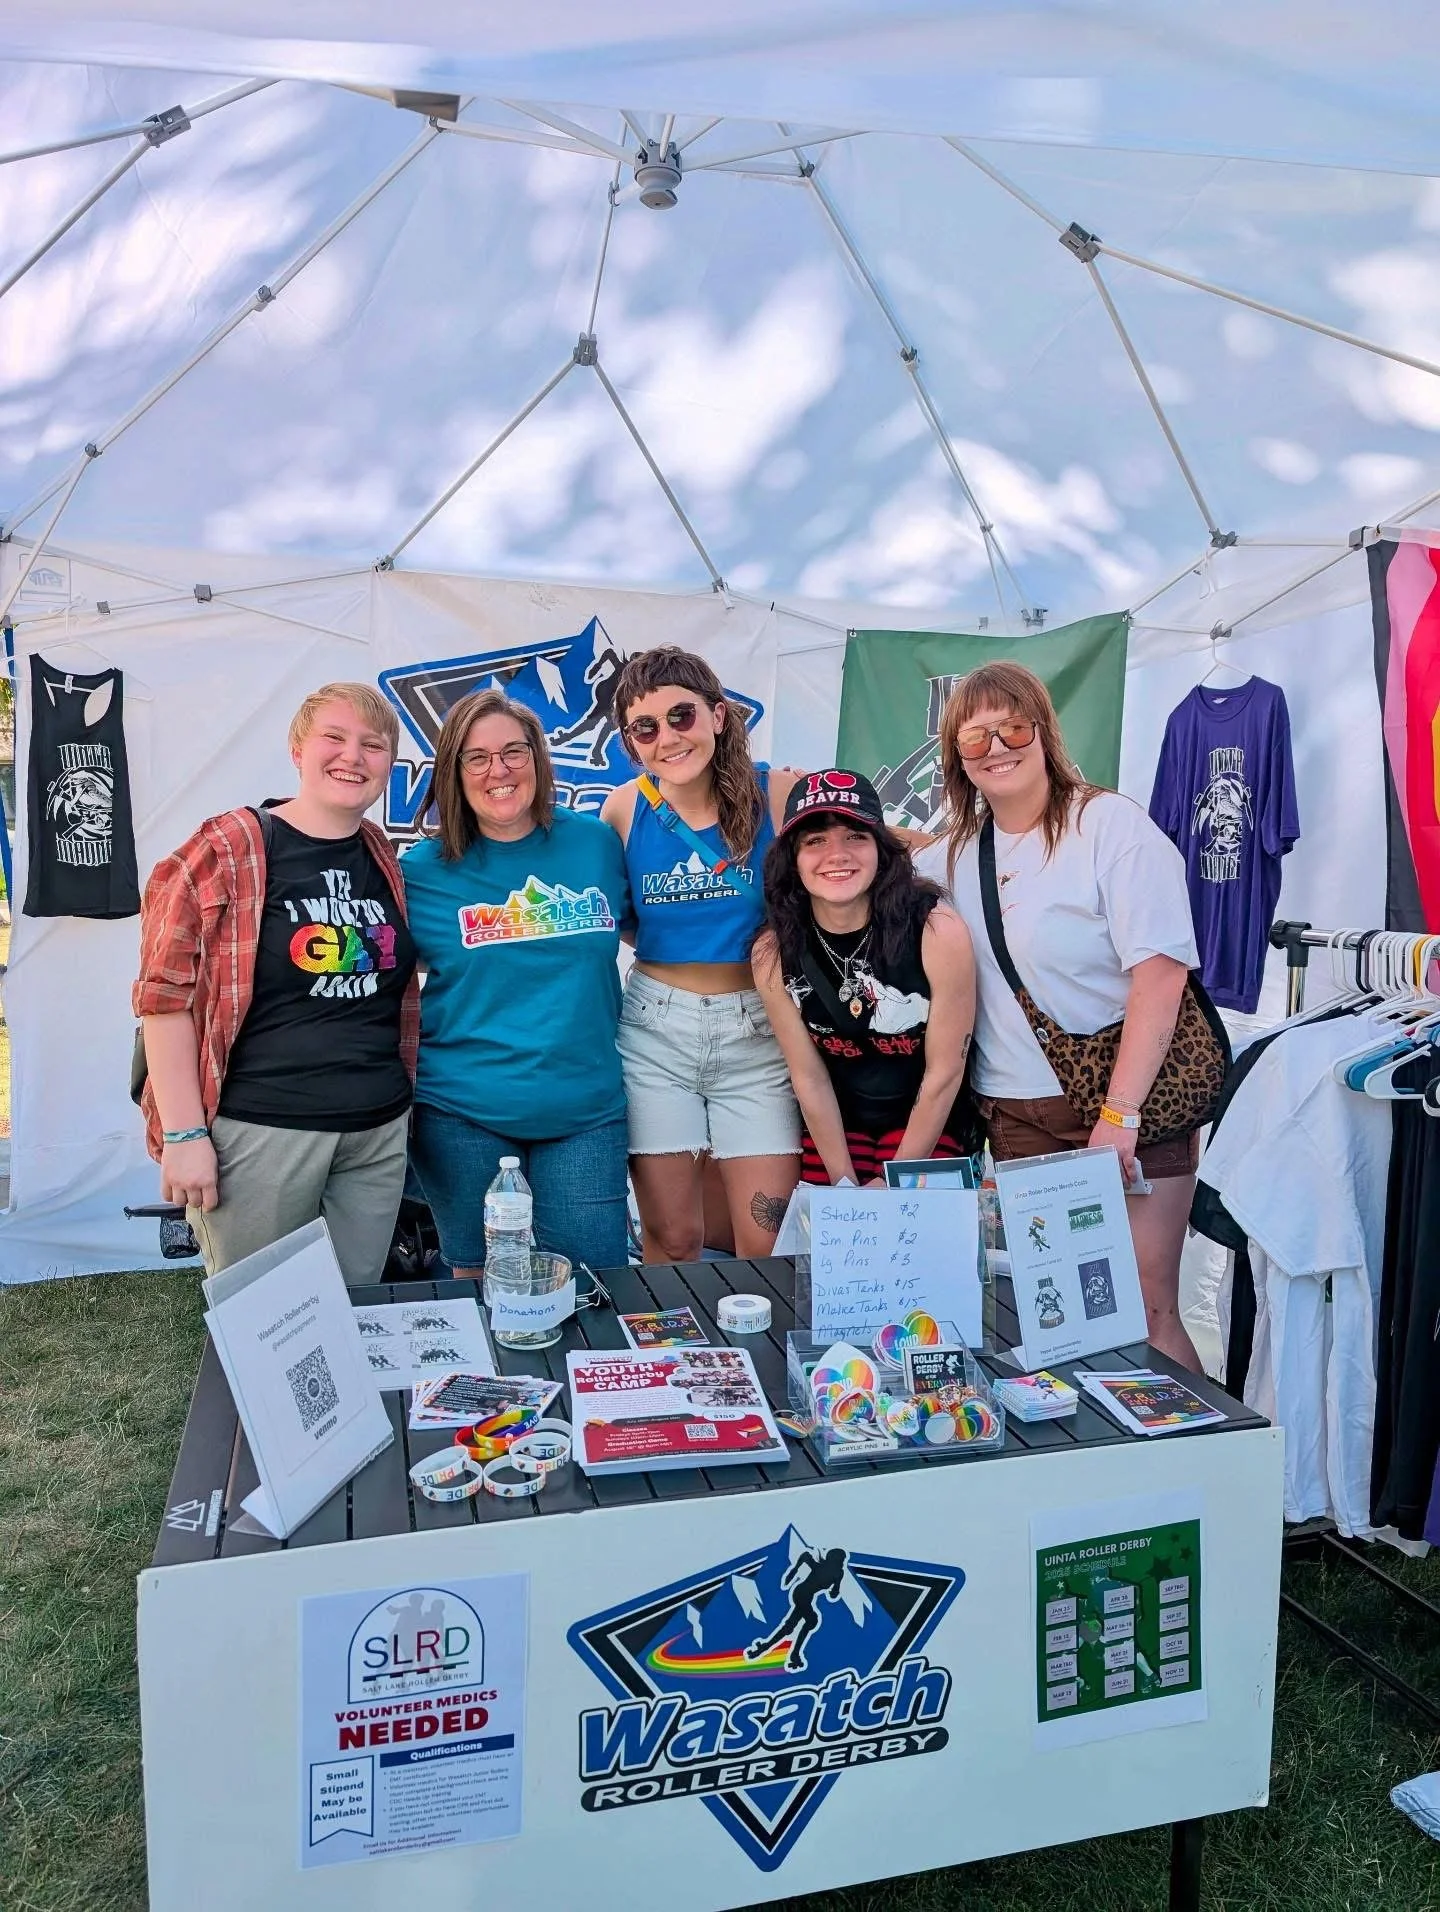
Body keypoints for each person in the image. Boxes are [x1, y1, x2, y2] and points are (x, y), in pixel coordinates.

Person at [916, 661, 1204, 1368]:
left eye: (1011, 728)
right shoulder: (954, 857)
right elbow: (861, 858)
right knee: (1063, 1314)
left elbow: (1161, 974)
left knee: (1146, 1306)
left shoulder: (1108, 826)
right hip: (1018, 1117)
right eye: (975, 738)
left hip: (1128, 1106)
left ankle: (1201, 1438)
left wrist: (1120, 1115)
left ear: (1043, 731)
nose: (996, 748)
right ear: (957, 758)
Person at [134, 683, 419, 1280]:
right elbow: (163, 999)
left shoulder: (380, 854)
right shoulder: (228, 848)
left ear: (389, 765)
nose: (353, 756)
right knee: (267, 1315)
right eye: (334, 737)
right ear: (297, 749)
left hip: (375, 1134)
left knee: (356, 1307)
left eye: (373, 745)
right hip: (264, 1131)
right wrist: (184, 1135)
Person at [403, 687, 631, 1277]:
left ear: (538, 758)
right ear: (453, 772)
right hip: (460, 1110)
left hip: (585, 1109)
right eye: (476, 758)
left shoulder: (597, 844)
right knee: (483, 1281)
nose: (498, 770)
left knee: (591, 1286)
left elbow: (661, 924)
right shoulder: (418, 872)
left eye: (513, 752)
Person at [601, 646, 801, 1261]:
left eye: (681, 716)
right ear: (631, 743)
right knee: (673, 1237)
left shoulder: (778, 793)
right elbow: (622, 919)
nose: (668, 737)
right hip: (656, 1031)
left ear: (717, 715)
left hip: (760, 1028)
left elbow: (873, 849)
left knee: (768, 1243)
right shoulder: (624, 809)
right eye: (645, 728)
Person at [752, 769, 979, 1187]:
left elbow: (945, 1072)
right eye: (815, 841)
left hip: (930, 1119)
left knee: (916, 1220)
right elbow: (809, 1077)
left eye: (856, 836)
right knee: (829, 1220)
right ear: (792, 858)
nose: (837, 854)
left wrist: (894, 1181)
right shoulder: (772, 952)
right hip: (838, 1125)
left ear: (881, 848)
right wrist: (845, 1185)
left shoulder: (936, 929)